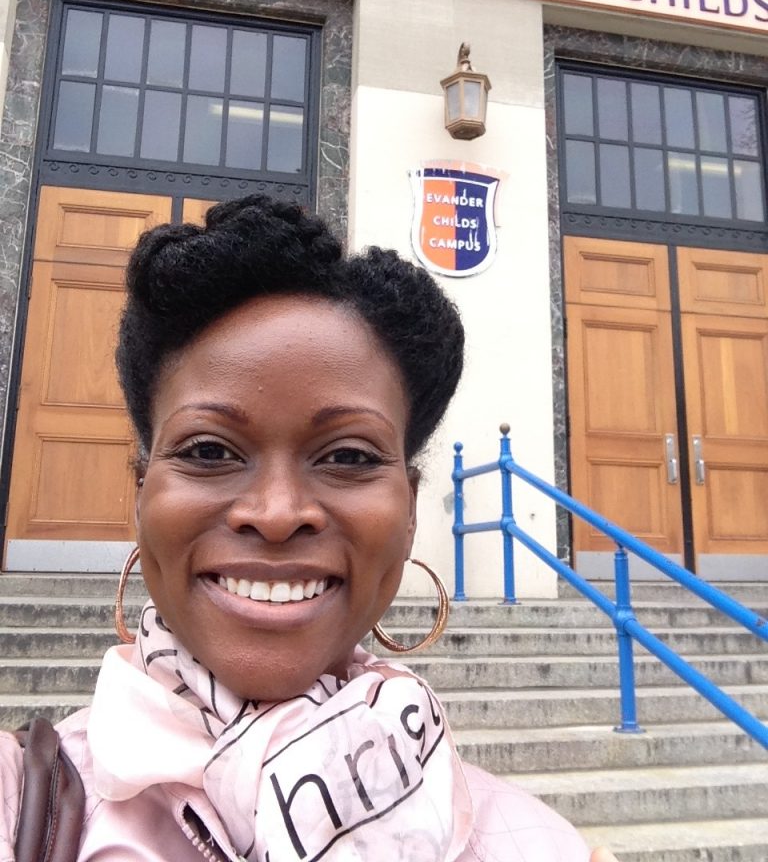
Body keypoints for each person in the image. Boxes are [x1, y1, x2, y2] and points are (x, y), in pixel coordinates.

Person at [0, 196, 619, 861]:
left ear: (409, 512)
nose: (275, 513)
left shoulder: (541, 844)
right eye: (209, 451)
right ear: (142, 490)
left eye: (349, 456)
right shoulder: (24, 808)